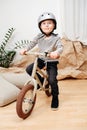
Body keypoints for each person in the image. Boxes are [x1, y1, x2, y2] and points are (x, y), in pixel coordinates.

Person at [20, 12, 63, 110]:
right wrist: (25, 49)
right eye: (44, 23)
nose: (47, 25)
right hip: (41, 58)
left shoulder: (56, 38)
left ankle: (55, 97)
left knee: (52, 79)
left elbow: (60, 47)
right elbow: (32, 43)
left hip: (51, 60)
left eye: (49, 23)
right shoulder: (39, 37)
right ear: (40, 26)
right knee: (29, 69)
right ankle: (43, 81)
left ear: (54, 25)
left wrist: (56, 53)